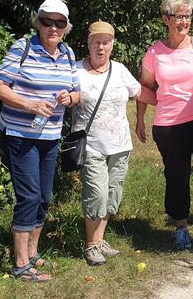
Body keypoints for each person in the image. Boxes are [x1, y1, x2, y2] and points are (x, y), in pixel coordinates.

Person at [0, 0, 79, 282]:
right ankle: (20, 265)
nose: (53, 27)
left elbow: (76, 93)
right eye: (47, 21)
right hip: (20, 135)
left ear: (66, 27)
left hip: (50, 136)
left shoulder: (67, 54)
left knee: (43, 197)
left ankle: (32, 252)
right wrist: (29, 105)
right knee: (28, 196)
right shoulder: (23, 48)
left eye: (59, 23)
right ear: (38, 22)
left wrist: (70, 97)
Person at [136, 0, 193, 250]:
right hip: (168, 126)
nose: (184, 21)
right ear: (166, 19)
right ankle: (181, 228)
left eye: (188, 16)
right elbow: (144, 86)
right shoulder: (155, 51)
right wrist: (141, 119)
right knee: (177, 176)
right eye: (179, 16)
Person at [71, 21, 157, 266]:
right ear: (88, 44)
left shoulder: (119, 70)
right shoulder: (75, 70)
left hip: (120, 144)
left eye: (106, 42)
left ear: (112, 45)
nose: (101, 47)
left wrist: (171, 101)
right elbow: (62, 97)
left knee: (111, 196)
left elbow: (140, 92)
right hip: (90, 144)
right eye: (96, 42)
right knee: (96, 195)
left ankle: (100, 241)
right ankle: (90, 245)